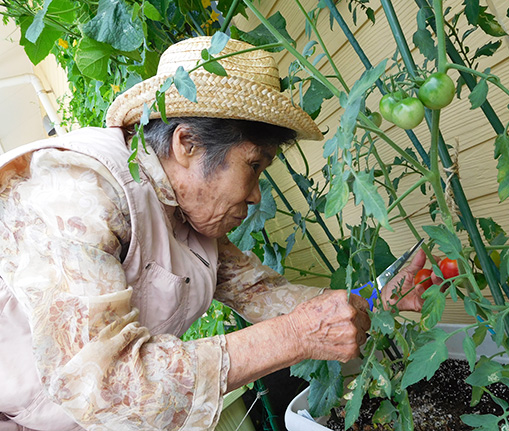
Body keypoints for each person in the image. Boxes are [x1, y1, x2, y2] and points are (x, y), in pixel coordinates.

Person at [0, 36, 433, 431]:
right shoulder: (77, 193)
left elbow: (262, 293)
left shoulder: (182, 211)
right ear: (186, 145)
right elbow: (108, 382)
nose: (254, 196)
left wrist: (376, 300)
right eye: (254, 166)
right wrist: (297, 336)